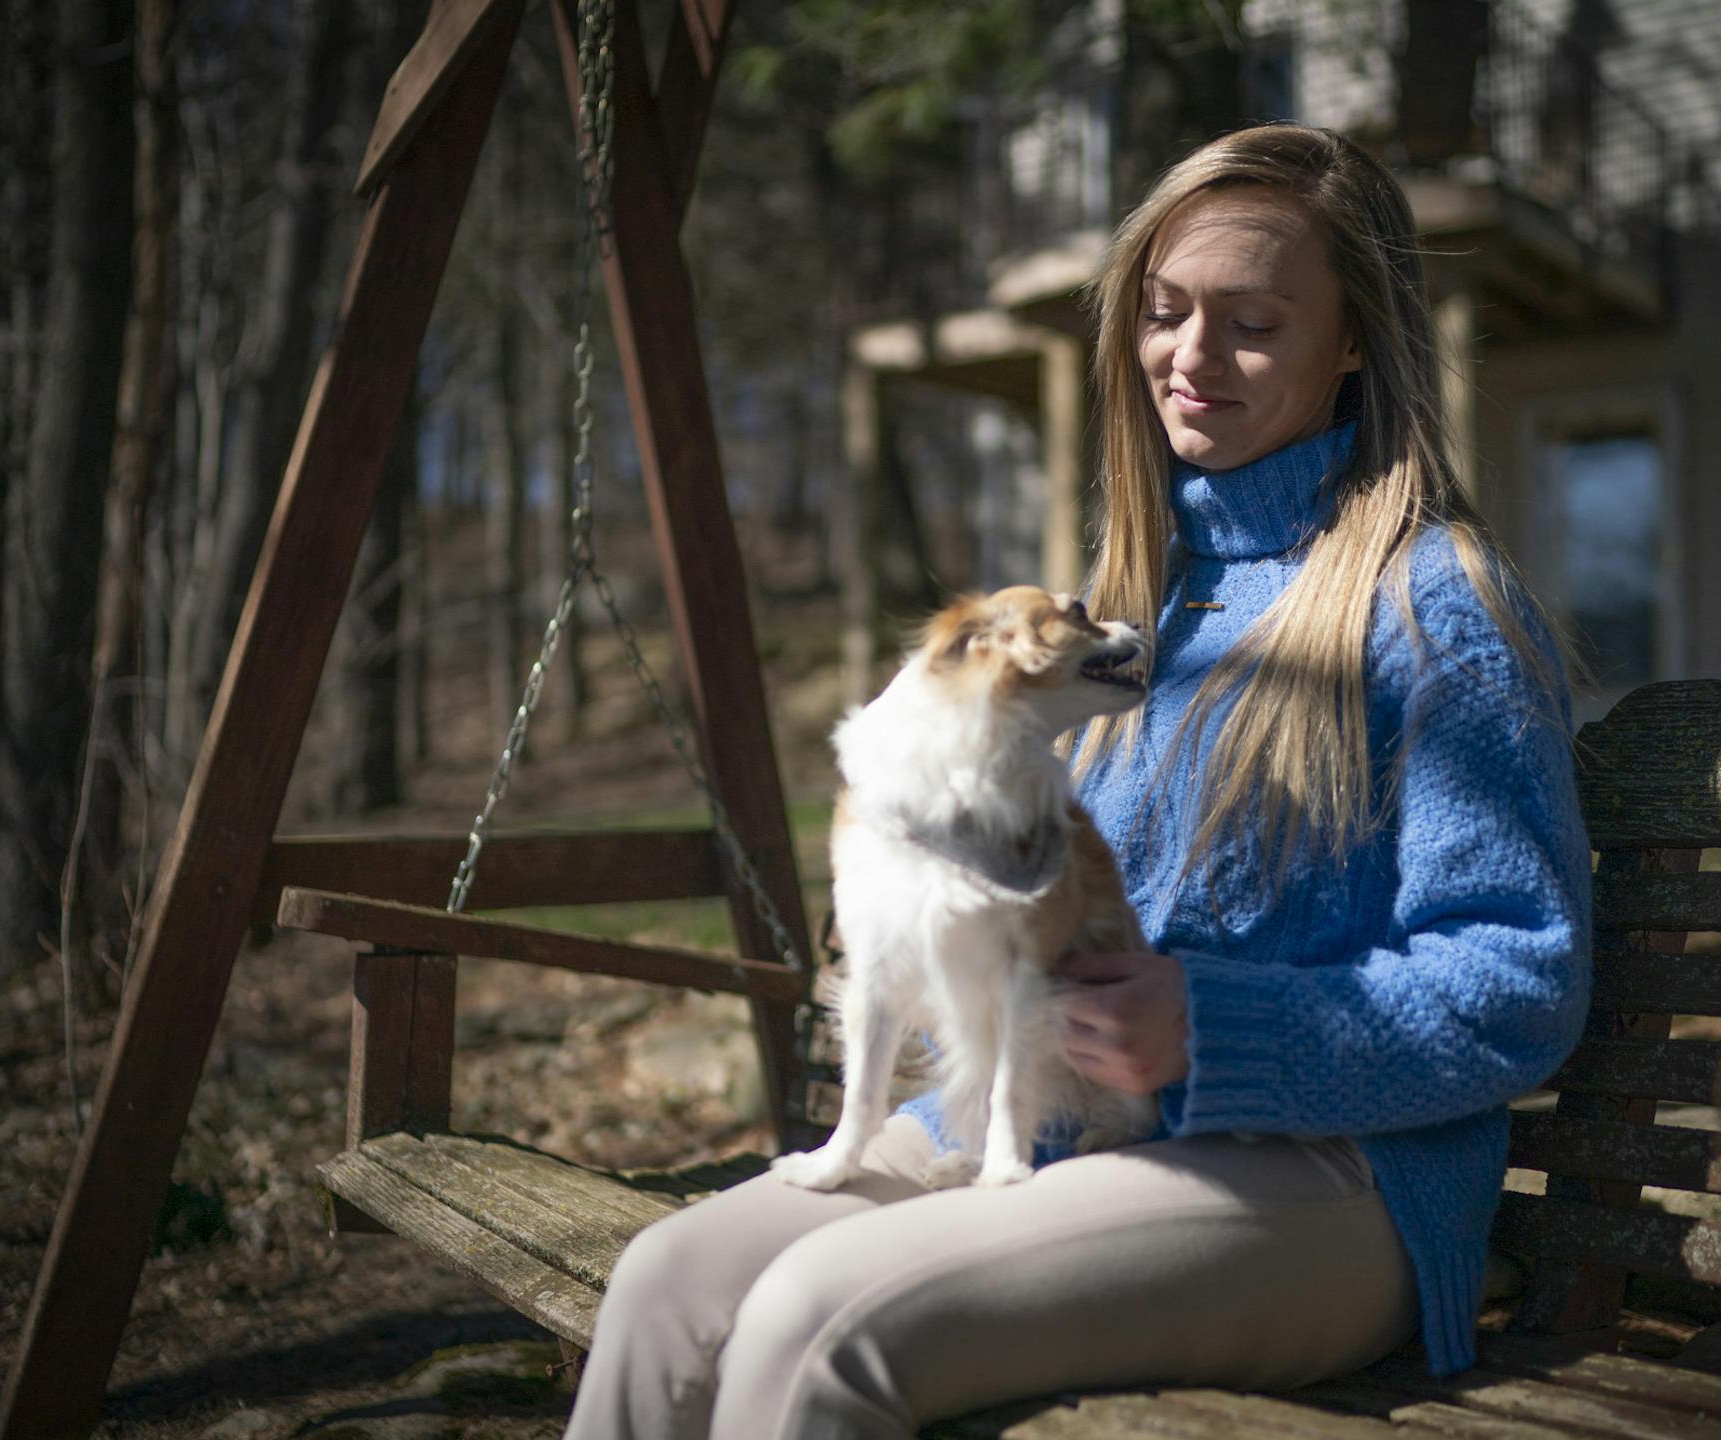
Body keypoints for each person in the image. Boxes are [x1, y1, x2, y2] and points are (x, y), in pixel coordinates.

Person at [561, 123, 1593, 1440]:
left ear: (1353, 344)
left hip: (1336, 1181)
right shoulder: (1128, 606)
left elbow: (1522, 978)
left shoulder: (1433, 603)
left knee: (822, 1325)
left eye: (1253, 323)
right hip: (1048, 1118)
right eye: (1166, 313)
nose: (1190, 358)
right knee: (665, 1287)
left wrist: (1212, 1031)